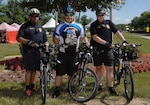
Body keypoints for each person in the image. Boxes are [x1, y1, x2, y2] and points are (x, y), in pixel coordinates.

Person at [52, 5, 90, 98]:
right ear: (64, 15)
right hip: (62, 53)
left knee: (72, 73)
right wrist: (57, 40)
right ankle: (57, 89)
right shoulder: (59, 26)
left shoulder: (79, 26)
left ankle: (70, 88)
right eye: (67, 15)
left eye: (71, 14)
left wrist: (88, 44)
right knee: (59, 72)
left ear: (73, 15)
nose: (69, 16)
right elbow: (54, 39)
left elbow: (84, 37)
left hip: (74, 53)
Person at [90, 9, 127, 95]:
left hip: (108, 51)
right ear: (96, 16)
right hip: (97, 50)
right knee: (99, 68)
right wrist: (106, 43)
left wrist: (124, 41)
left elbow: (117, 32)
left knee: (109, 69)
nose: (101, 17)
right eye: (99, 15)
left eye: (102, 15)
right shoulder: (93, 25)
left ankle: (111, 87)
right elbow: (94, 37)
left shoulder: (109, 23)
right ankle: (99, 85)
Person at [16, 8, 49, 96]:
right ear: (30, 17)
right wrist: (28, 42)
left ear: (39, 17)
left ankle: (33, 85)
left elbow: (45, 41)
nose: (35, 18)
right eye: (33, 16)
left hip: (39, 51)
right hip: (29, 51)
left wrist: (46, 50)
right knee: (29, 70)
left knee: (35, 70)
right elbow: (18, 38)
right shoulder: (24, 26)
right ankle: (27, 88)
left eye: (37, 16)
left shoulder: (41, 28)